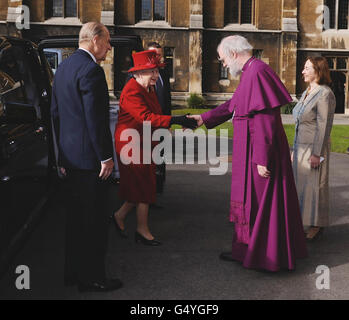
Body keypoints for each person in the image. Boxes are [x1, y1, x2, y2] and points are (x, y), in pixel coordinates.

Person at [189, 35, 307, 272]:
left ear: (233, 53)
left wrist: (262, 159)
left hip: (258, 152)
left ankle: (264, 256)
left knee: (258, 203)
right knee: (247, 201)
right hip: (249, 150)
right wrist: (203, 118)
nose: (222, 64)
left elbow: (266, 121)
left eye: (222, 59)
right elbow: (234, 105)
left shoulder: (258, 72)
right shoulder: (250, 72)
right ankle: (244, 251)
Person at [51, 22, 122, 292]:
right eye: (106, 41)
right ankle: (92, 278)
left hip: (70, 159)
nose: (109, 47)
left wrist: (60, 157)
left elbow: (55, 115)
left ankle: (71, 272)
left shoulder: (64, 68)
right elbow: (96, 120)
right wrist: (106, 157)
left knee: (75, 221)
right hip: (91, 162)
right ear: (94, 40)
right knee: (94, 222)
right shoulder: (92, 70)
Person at [112, 50, 196, 246]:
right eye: (152, 72)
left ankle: (119, 216)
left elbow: (156, 114)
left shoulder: (147, 89)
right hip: (132, 145)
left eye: (157, 71)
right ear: (139, 73)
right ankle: (142, 230)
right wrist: (175, 120)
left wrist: (176, 121)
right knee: (145, 185)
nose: (156, 76)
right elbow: (146, 118)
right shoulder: (132, 90)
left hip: (144, 142)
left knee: (141, 184)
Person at [292, 57, 336, 240]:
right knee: (303, 187)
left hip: (314, 148)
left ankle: (317, 224)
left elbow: (324, 125)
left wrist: (317, 153)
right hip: (300, 146)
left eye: (306, 68)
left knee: (315, 187)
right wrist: (294, 149)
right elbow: (299, 122)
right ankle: (303, 222)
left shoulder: (325, 94)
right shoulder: (307, 92)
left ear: (318, 71)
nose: (303, 71)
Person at [147, 41, 172, 198]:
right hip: (149, 125)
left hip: (163, 124)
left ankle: (156, 194)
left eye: (160, 55)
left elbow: (167, 99)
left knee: (161, 159)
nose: (158, 58)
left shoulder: (162, 73)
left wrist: (169, 122)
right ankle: (147, 196)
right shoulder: (140, 75)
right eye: (155, 55)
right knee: (149, 161)